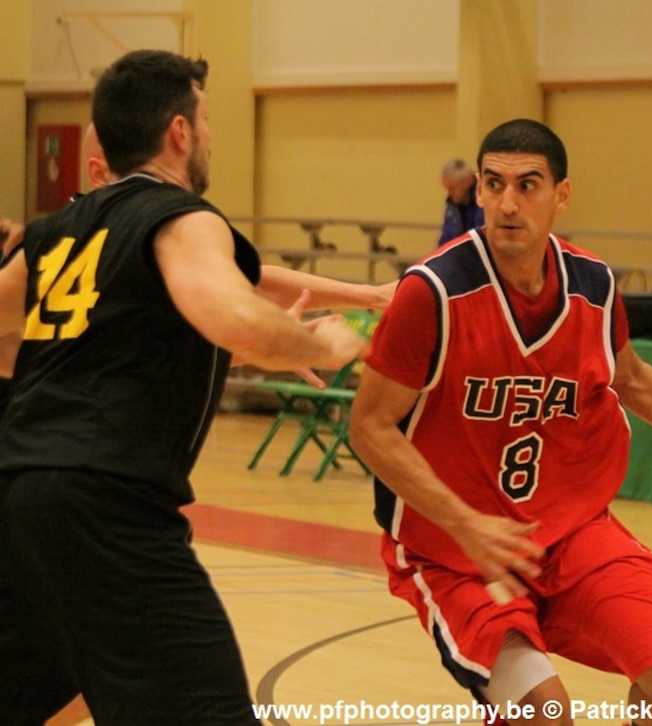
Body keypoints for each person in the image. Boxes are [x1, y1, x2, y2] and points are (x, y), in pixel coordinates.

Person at [0, 50, 385, 724]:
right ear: (179, 130)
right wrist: (307, 342)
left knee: (48, 696)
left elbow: (55, 341)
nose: (210, 133)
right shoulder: (182, 217)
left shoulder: (53, 234)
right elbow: (239, 314)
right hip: (109, 503)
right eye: (205, 118)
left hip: (24, 499)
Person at [350, 119, 652, 724]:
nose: (507, 203)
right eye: (493, 184)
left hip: (572, 533)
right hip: (453, 550)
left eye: (528, 185)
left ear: (562, 195)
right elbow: (369, 427)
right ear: (477, 190)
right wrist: (464, 523)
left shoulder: (594, 287)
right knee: (543, 713)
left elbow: (626, 378)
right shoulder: (433, 293)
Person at [438, 158, 485, 245]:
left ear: (466, 182)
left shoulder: (484, 200)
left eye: (452, 188)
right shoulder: (452, 206)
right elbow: (446, 238)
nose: (449, 194)